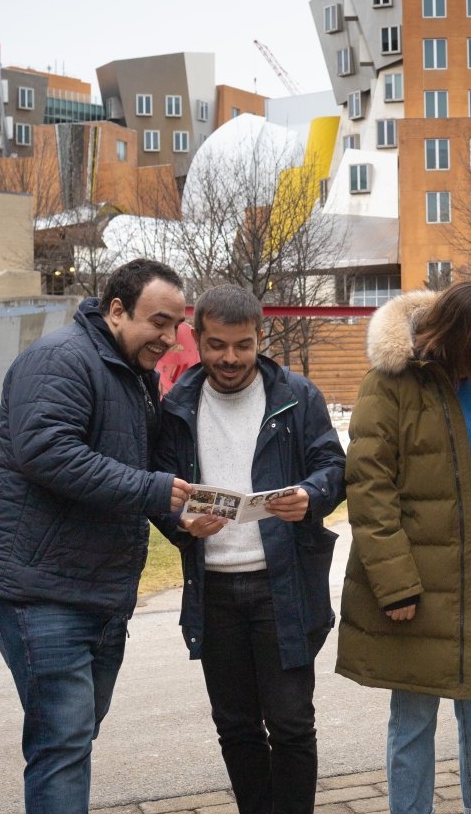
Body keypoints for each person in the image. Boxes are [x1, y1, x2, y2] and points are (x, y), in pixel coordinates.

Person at [0, 258, 193, 814]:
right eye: (158, 322)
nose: (169, 337)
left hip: (97, 590)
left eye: (176, 324)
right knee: (63, 742)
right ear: (117, 310)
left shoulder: (133, 375)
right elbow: (49, 452)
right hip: (39, 589)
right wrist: (157, 492)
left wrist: (184, 522)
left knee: (74, 735)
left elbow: (134, 472)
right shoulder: (61, 359)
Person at [338, 282, 471, 814]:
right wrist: (395, 583)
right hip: (419, 558)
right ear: (459, 338)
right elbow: (369, 488)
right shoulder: (389, 385)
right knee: (414, 712)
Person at [154, 285, 347, 814]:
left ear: (260, 337)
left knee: (290, 724)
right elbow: (157, 489)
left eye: (243, 345)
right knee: (235, 726)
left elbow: (333, 468)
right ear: (197, 338)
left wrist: (310, 495)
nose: (230, 358)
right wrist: (180, 522)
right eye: (217, 345)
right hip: (213, 588)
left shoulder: (296, 395)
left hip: (281, 585)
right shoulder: (176, 406)